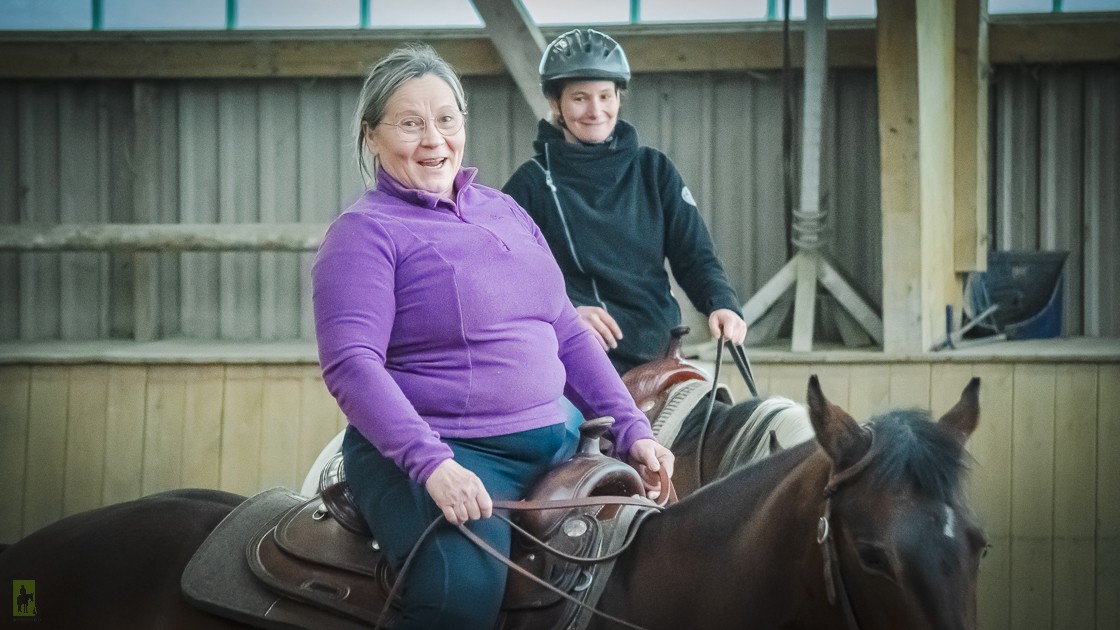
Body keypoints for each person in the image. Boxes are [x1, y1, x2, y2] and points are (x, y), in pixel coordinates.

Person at [312, 43, 674, 630]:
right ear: (371, 135)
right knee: (458, 602)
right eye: (410, 124)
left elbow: (566, 330)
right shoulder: (363, 233)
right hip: (441, 453)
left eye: (446, 120)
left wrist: (633, 427)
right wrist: (433, 465)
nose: (434, 140)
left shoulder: (504, 209)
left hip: (559, 442)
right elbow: (352, 364)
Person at [503, 28, 748, 375]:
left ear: (618, 98)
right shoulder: (529, 184)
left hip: (660, 352)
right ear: (555, 104)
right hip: (577, 356)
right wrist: (565, 313)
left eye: (605, 96)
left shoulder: (655, 170)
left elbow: (695, 256)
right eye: (580, 98)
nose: (595, 110)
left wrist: (722, 304)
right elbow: (505, 277)